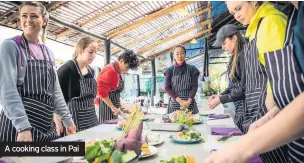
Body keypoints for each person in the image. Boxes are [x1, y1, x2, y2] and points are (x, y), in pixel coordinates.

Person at [204, 3, 304, 163]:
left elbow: (278, 81)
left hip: (275, 114)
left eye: (238, 8)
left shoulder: (272, 23)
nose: (236, 15)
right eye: (232, 12)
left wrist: (267, 113)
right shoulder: (257, 31)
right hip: (265, 114)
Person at [0, 2, 75, 142]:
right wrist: (23, 127)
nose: (28, 20)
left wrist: (68, 120)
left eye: (34, 16)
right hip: (19, 127)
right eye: (24, 16)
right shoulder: (10, 46)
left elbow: (55, 91)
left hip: (45, 125)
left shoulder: (48, 52)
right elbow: (7, 90)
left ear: (44, 21)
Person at [55, 36, 99, 134]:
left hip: (92, 119)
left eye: (95, 52)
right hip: (74, 121)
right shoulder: (67, 69)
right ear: (80, 50)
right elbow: (56, 99)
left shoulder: (91, 71)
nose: (94, 55)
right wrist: (58, 124)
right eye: (91, 52)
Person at [209, 24, 246, 132]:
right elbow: (233, 86)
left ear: (234, 38)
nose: (222, 47)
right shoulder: (234, 57)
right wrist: (220, 95)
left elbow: (245, 88)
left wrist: (221, 99)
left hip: (247, 108)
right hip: (240, 107)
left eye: (224, 43)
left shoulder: (243, 56)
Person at [97, 50, 139, 124]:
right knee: (107, 131)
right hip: (107, 107)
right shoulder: (109, 70)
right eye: (127, 67)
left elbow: (115, 93)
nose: (127, 70)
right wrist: (112, 107)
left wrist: (121, 107)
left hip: (115, 108)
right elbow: (101, 92)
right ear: (121, 61)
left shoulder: (118, 72)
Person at [164, 45, 200, 114]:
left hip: (190, 105)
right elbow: (167, 88)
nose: (180, 56)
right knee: (174, 124)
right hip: (174, 106)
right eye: (177, 54)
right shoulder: (169, 70)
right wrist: (180, 101)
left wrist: (188, 102)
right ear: (173, 55)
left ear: (185, 54)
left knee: (192, 123)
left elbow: (194, 87)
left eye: (182, 53)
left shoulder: (193, 69)